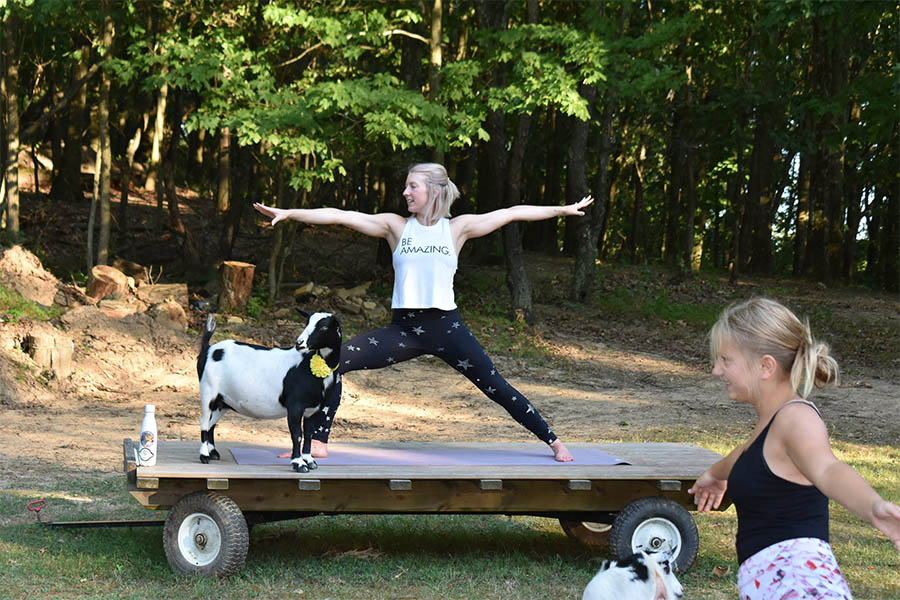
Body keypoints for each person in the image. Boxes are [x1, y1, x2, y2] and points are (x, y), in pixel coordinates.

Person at [253, 162, 593, 462]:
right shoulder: (396, 227)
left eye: (412, 186)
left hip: (447, 327)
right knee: (331, 363)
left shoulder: (457, 228)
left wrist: (561, 211)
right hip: (403, 330)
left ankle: (553, 440)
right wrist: (291, 214)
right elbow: (342, 216)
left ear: (433, 191)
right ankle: (318, 441)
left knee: (495, 386)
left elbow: (511, 213)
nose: (405, 192)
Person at [689, 297, 900, 599]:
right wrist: (715, 474)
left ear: (765, 366)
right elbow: (745, 453)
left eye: (726, 360)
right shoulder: (771, 424)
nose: (716, 370)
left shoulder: (796, 418)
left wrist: (874, 508)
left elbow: (828, 469)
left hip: (799, 583)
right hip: (779, 583)